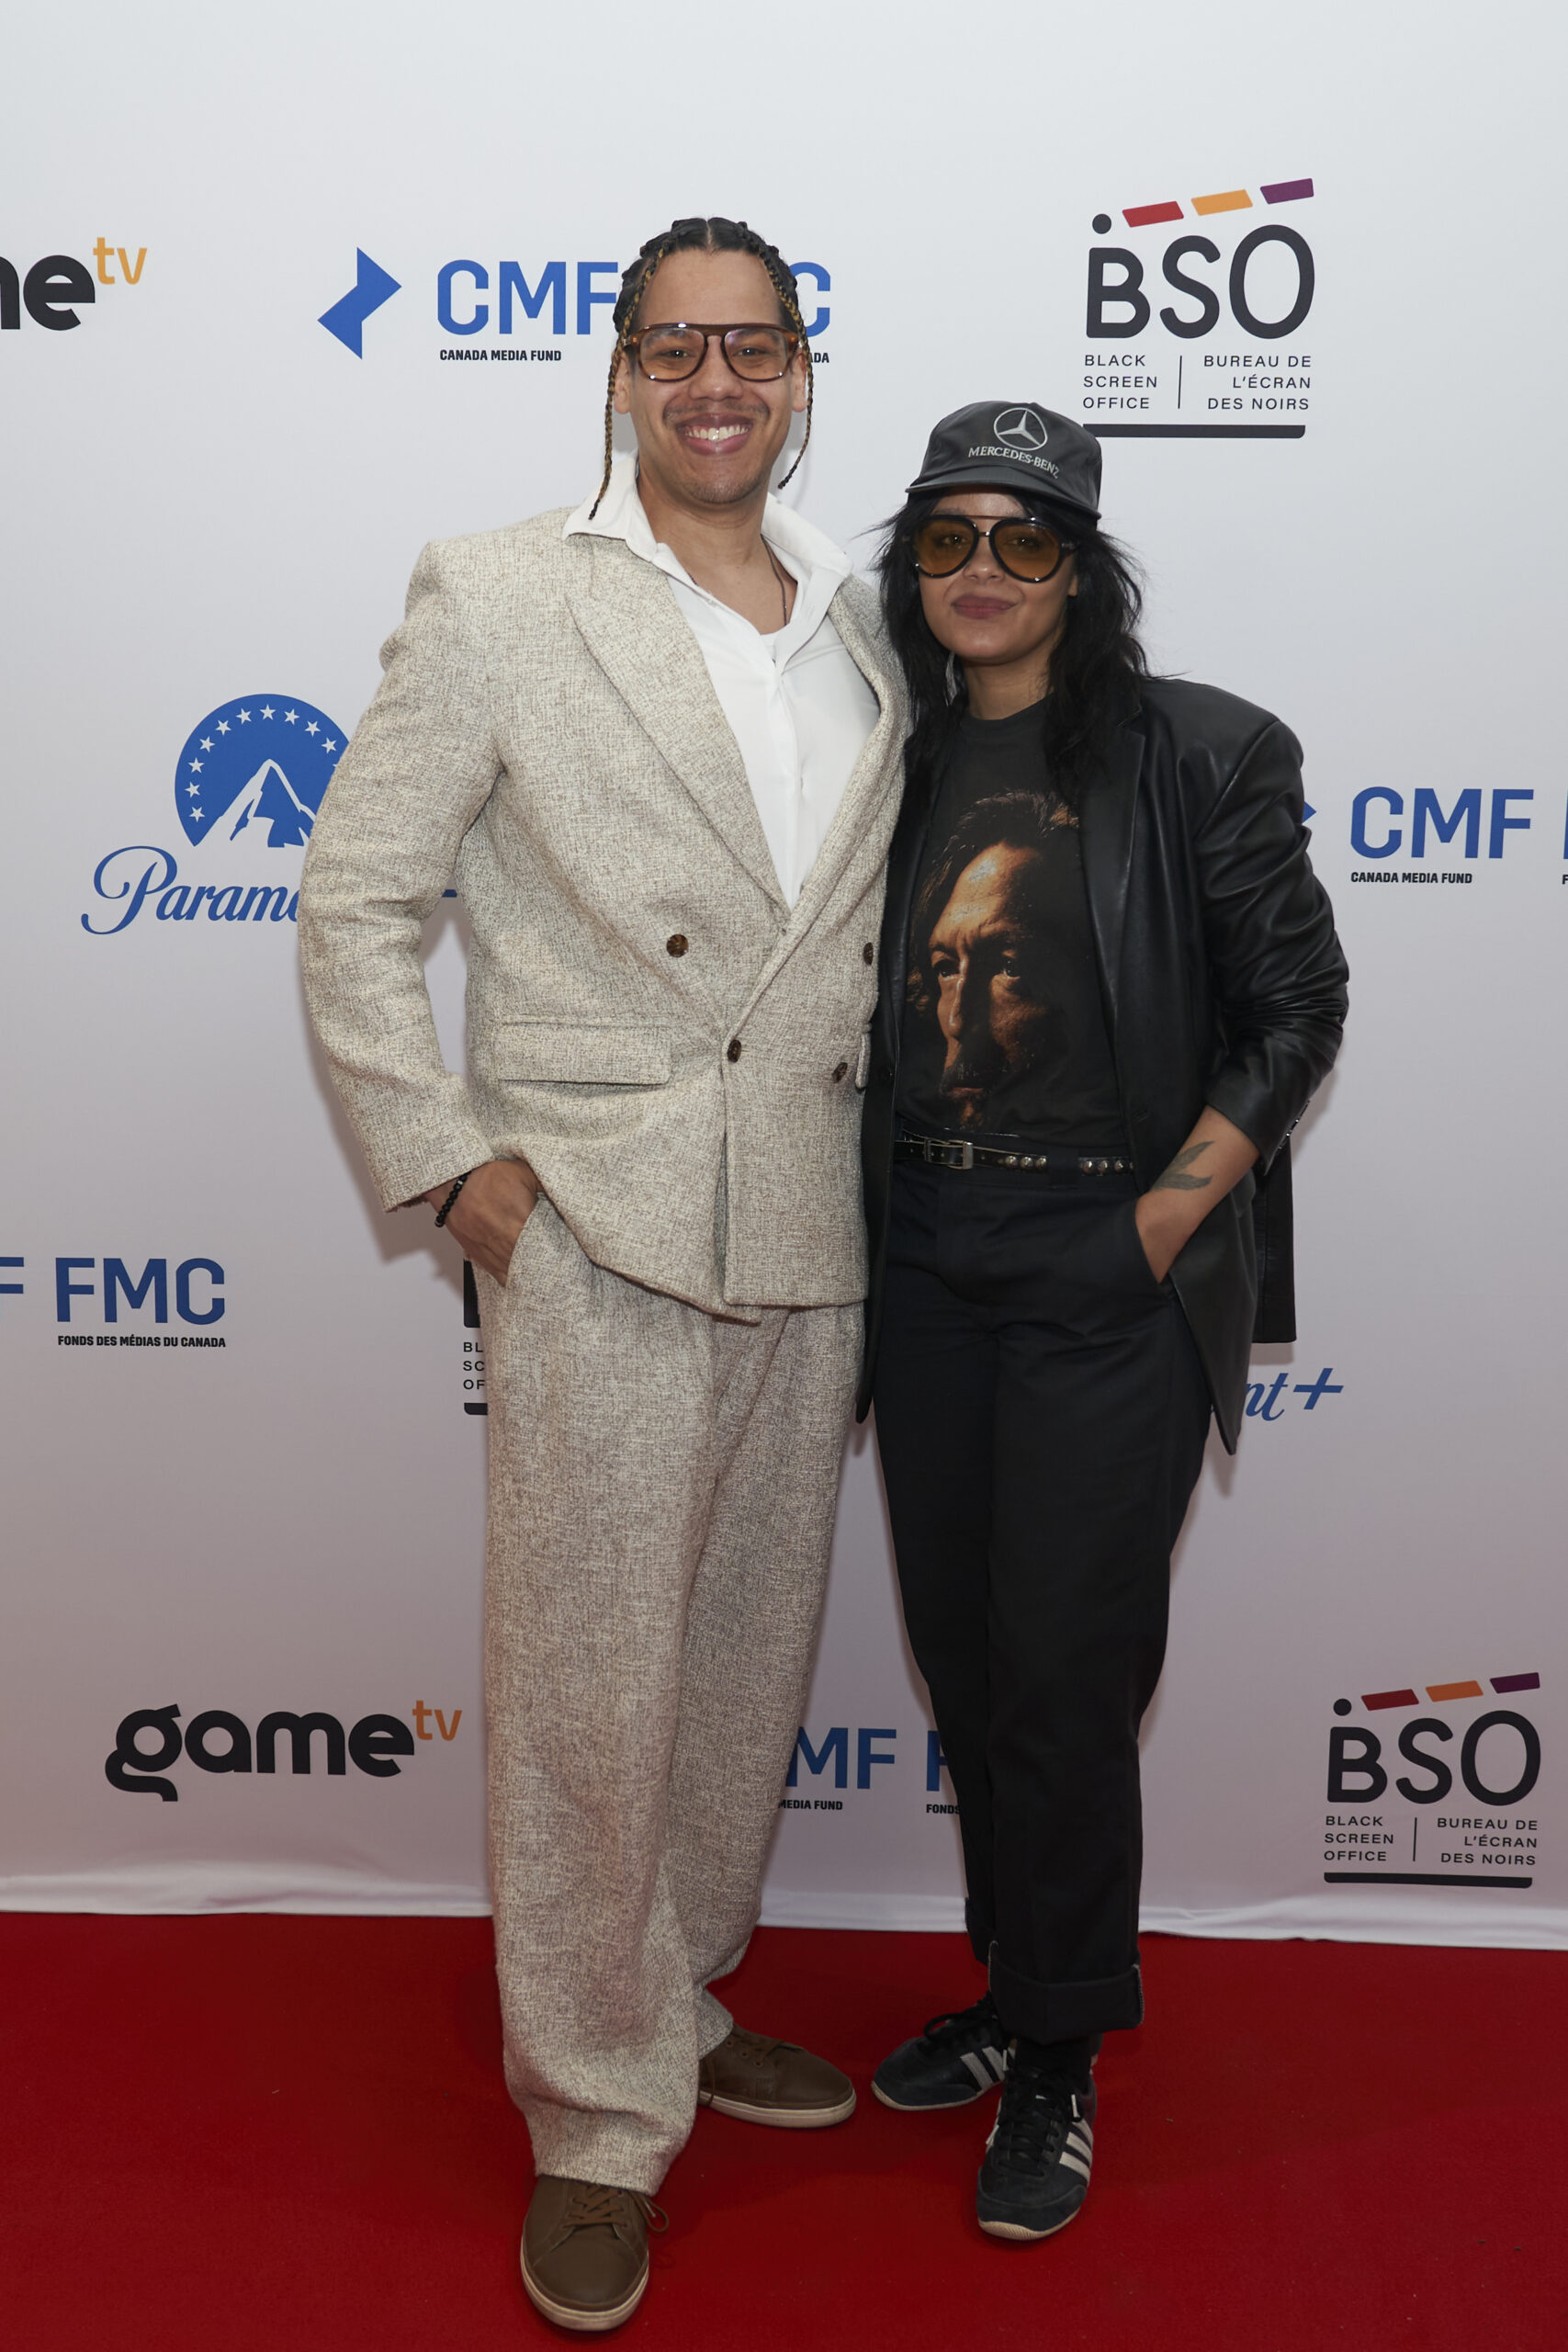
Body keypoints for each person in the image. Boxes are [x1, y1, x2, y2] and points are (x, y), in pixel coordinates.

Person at [299, 216, 906, 2335]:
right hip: (592, 1210)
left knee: (736, 1660)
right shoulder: (497, 590)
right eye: (675, 346)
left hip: (813, 1211)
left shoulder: (866, 612)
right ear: (622, 370)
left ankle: (673, 1991)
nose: (714, 381)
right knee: (584, 1683)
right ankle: (589, 2108)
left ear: (800, 372)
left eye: (753, 345)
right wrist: (451, 1160)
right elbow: (354, 903)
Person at [859, 402, 1348, 2244]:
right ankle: (1012, 1987)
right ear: (911, 567)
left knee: (1062, 1672)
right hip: (921, 1257)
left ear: (1080, 569)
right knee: (968, 1660)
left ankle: (1060, 2048)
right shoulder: (881, 756)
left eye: (1023, 538)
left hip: (1100, 1261)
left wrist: (1160, 1215)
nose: (980, 570)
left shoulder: (1199, 750)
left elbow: (1294, 1005)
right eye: (947, 538)